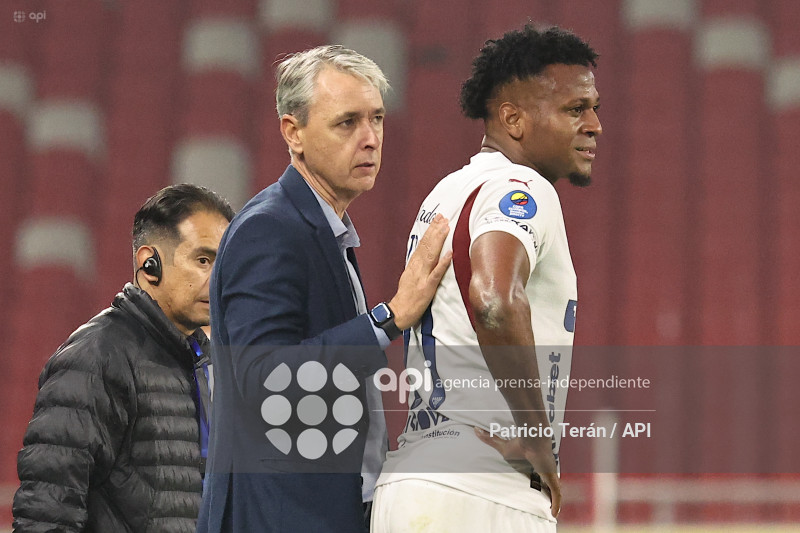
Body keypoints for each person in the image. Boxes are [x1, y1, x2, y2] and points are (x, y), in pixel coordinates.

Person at [197, 45, 450, 533]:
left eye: (376, 119)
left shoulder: (319, 227)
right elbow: (263, 376)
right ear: (293, 133)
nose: (371, 138)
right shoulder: (270, 229)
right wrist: (389, 317)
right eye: (347, 122)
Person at [373, 24, 602, 532]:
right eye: (574, 109)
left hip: (411, 482)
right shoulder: (521, 187)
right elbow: (495, 300)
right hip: (484, 488)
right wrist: (536, 439)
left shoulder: (446, 193)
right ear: (514, 119)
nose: (594, 124)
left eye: (594, 108)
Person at [12, 184, 234, 532]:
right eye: (203, 260)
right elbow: (46, 514)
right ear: (149, 265)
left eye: (225, 264)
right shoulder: (96, 356)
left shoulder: (202, 360)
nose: (218, 280)